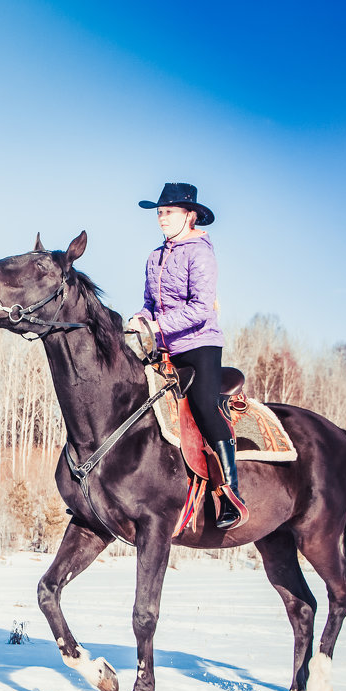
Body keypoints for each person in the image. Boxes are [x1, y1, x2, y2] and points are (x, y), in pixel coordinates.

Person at [127, 182, 247, 530]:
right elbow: (150, 304)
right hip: (163, 347)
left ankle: (230, 494)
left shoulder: (201, 253)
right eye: (160, 213)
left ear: (189, 216)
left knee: (204, 407)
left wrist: (157, 325)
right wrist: (139, 320)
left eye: (168, 212)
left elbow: (200, 309)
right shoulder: (154, 256)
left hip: (199, 345)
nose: (162, 218)